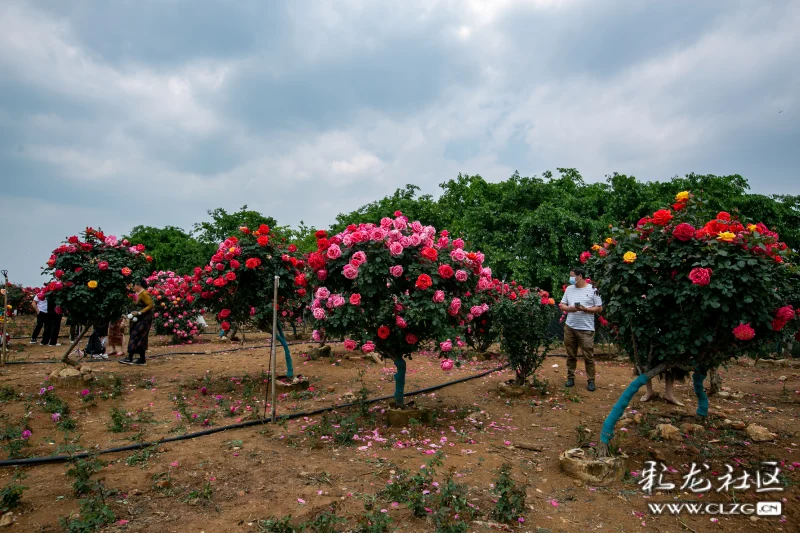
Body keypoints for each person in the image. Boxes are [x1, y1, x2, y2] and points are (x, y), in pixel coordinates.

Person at [559, 267, 603, 391]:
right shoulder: (569, 289)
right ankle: (570, 378)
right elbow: (562, 305)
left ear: (580, 276)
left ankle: (591, 381)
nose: (571, 278)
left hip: (586, 329)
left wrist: (586, 309)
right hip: (570, 327)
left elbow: (599, 308)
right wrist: (570, 309)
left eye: (572, 276)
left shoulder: (593, 289)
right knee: (570, 355)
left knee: (588, 356)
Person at [119, 279, 154, 366]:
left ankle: (130, 357)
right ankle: (141, 358)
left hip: (144, 319)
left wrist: (139, 312)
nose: (133, 287)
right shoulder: (137, 294)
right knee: (138, 336)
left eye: (134, 285)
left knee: (136, 335)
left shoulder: (144, 293)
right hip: (137, 318)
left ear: (139, 285)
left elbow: (150, 305)